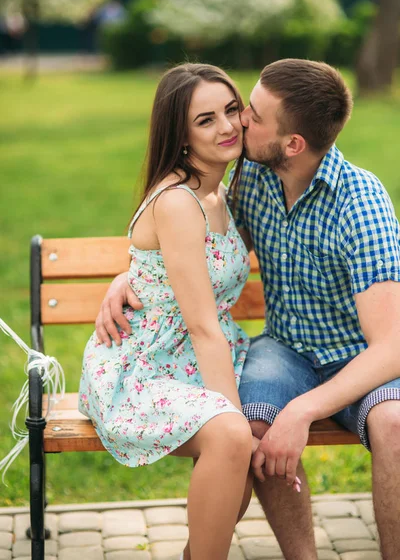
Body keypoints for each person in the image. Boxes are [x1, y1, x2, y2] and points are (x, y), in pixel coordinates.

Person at [96, 58, 400, 560]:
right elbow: (194, 245)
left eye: (250, 114)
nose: (239, 123)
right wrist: (133, 275)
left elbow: (391, 346)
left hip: (361, 355)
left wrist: (302, 411)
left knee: (394, 424)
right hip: (285, 348)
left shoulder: (359, 202)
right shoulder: (253, 178)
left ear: (293, 144)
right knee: (251, 426)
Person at [79, 63, 300, 560]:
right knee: (231, 436)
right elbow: (200, 325)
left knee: (256, 429)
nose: (226, 126)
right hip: (143, 366)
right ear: (180, 135)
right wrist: (231, 416)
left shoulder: (225, 191)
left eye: (230, 110)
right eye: (205, 120)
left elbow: (168, 272)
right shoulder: (178, 201)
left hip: (201, 357)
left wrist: (126, 277)